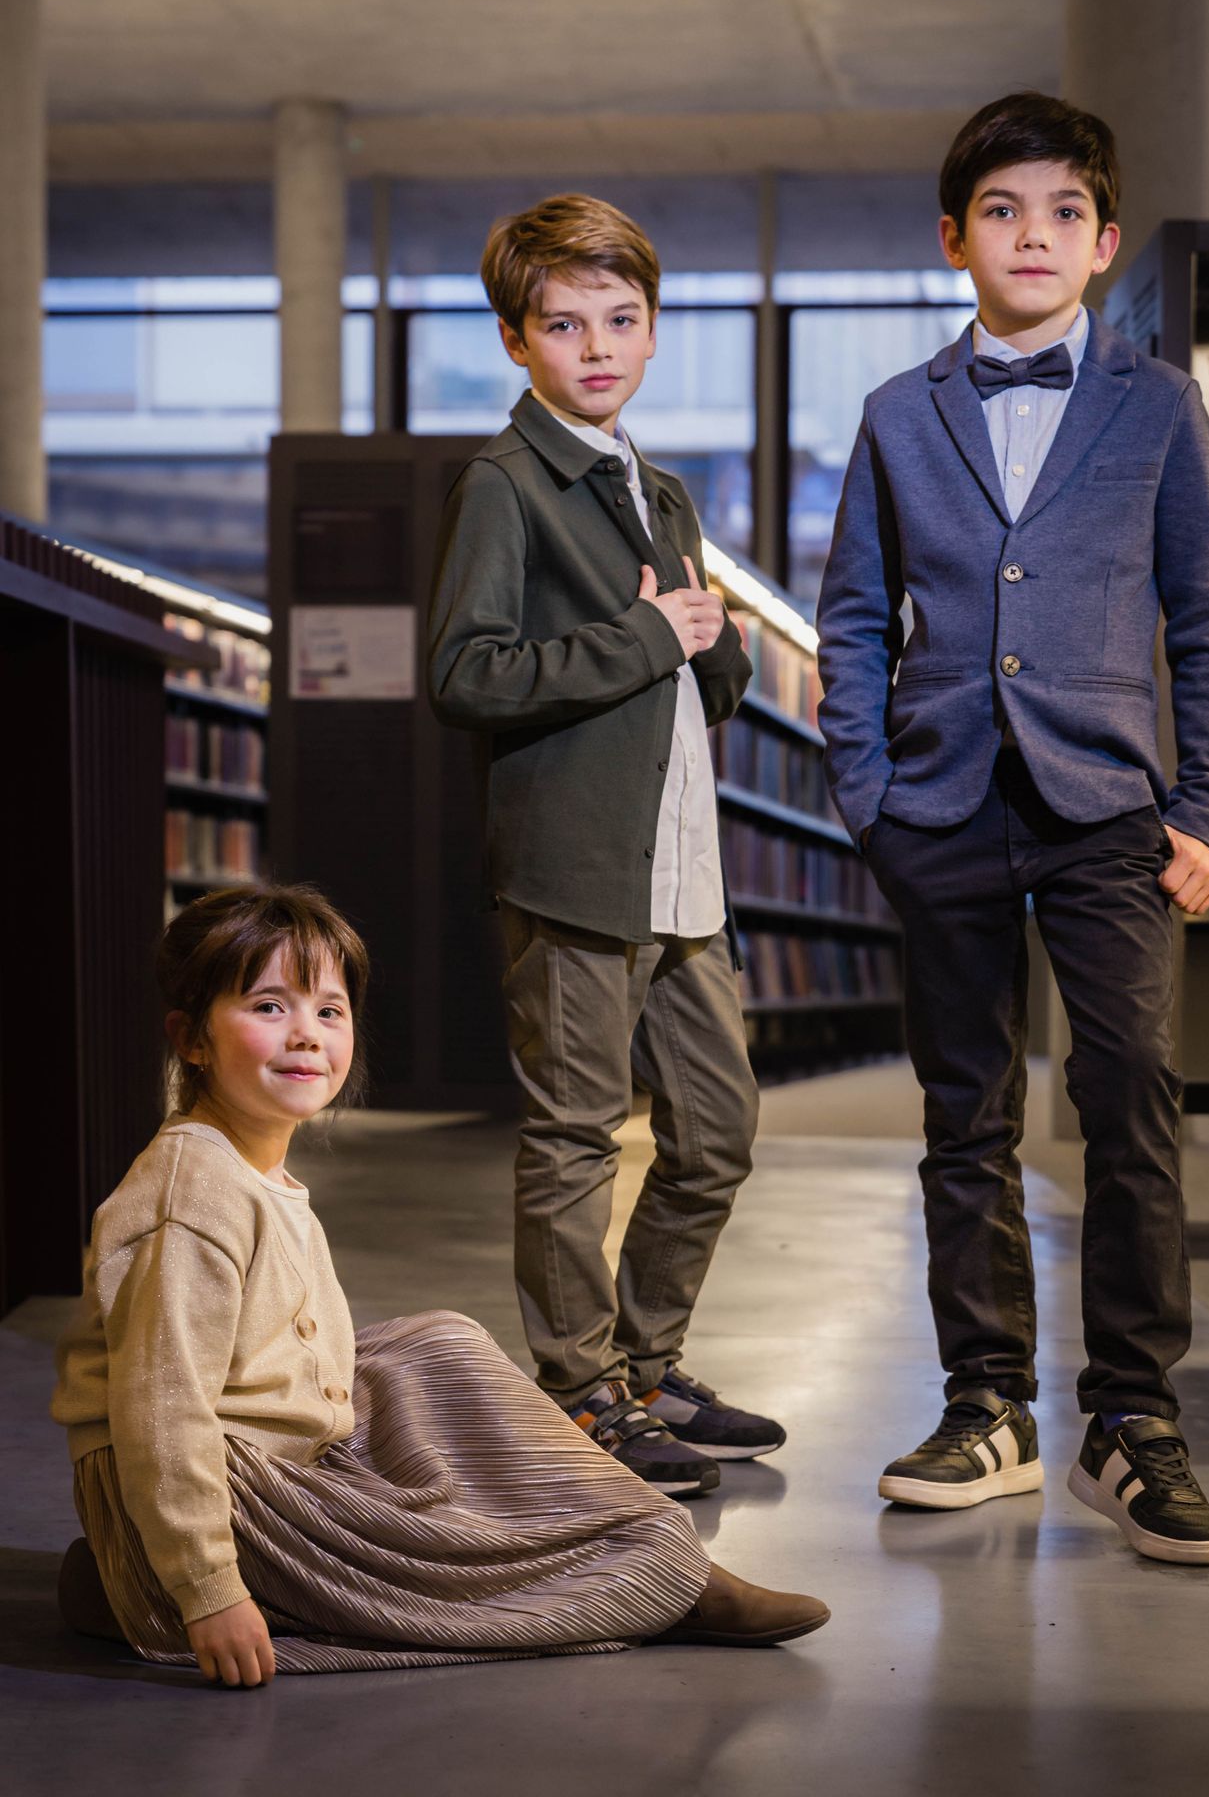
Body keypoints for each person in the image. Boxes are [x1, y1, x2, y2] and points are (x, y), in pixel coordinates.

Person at [816, 92, 1209, 1566]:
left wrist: (1207, 809)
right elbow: (856, 621)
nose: (1033, 235)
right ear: (955, 240)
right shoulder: (894, 416)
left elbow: (1208, 621)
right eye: (1003, 211)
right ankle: (985, 1402)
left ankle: (1132, 1420)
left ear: (1106, 242)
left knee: (1132, 1106)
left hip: (1111, 815)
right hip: (938, 809)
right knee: (967, 1119)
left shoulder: (1154, 405)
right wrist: (868, 800)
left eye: (1064, 212)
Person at [50, 885, 829, 1685]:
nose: (305, 1037)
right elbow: (161, 1410)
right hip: (231, 1496)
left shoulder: (248, 1162)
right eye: (268, 1006)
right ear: (193, 1040)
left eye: (328, 1011)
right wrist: (206, 1591)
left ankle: (653, 1551)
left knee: (438, 1345)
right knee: (457, 1569)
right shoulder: (193, 1195)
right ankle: (653, 1585)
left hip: (269, 1456)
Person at [427, 194, 783, 1499]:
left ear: (652, 330)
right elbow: (465, 672)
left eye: (622, 320)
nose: (599, 347)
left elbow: (713, 674)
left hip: (682, 866)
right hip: (575, 867)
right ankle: (579, 1393)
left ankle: (647, 1362)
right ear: (517, 342)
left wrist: (712, 640)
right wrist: (649, 638)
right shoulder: (506, 484)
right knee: (577, 1136)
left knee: (717, 1131)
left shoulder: (664, 487)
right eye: (565, 324)